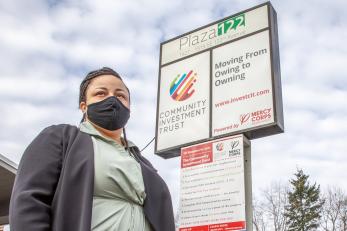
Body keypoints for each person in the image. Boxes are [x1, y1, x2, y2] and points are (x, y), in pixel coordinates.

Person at [9, 67, 175, 231]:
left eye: (120, 95)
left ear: (129, 108)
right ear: (83, 106)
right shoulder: (61, 138)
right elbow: (29, 201)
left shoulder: (143, 163)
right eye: (101, 93)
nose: (113, 99)